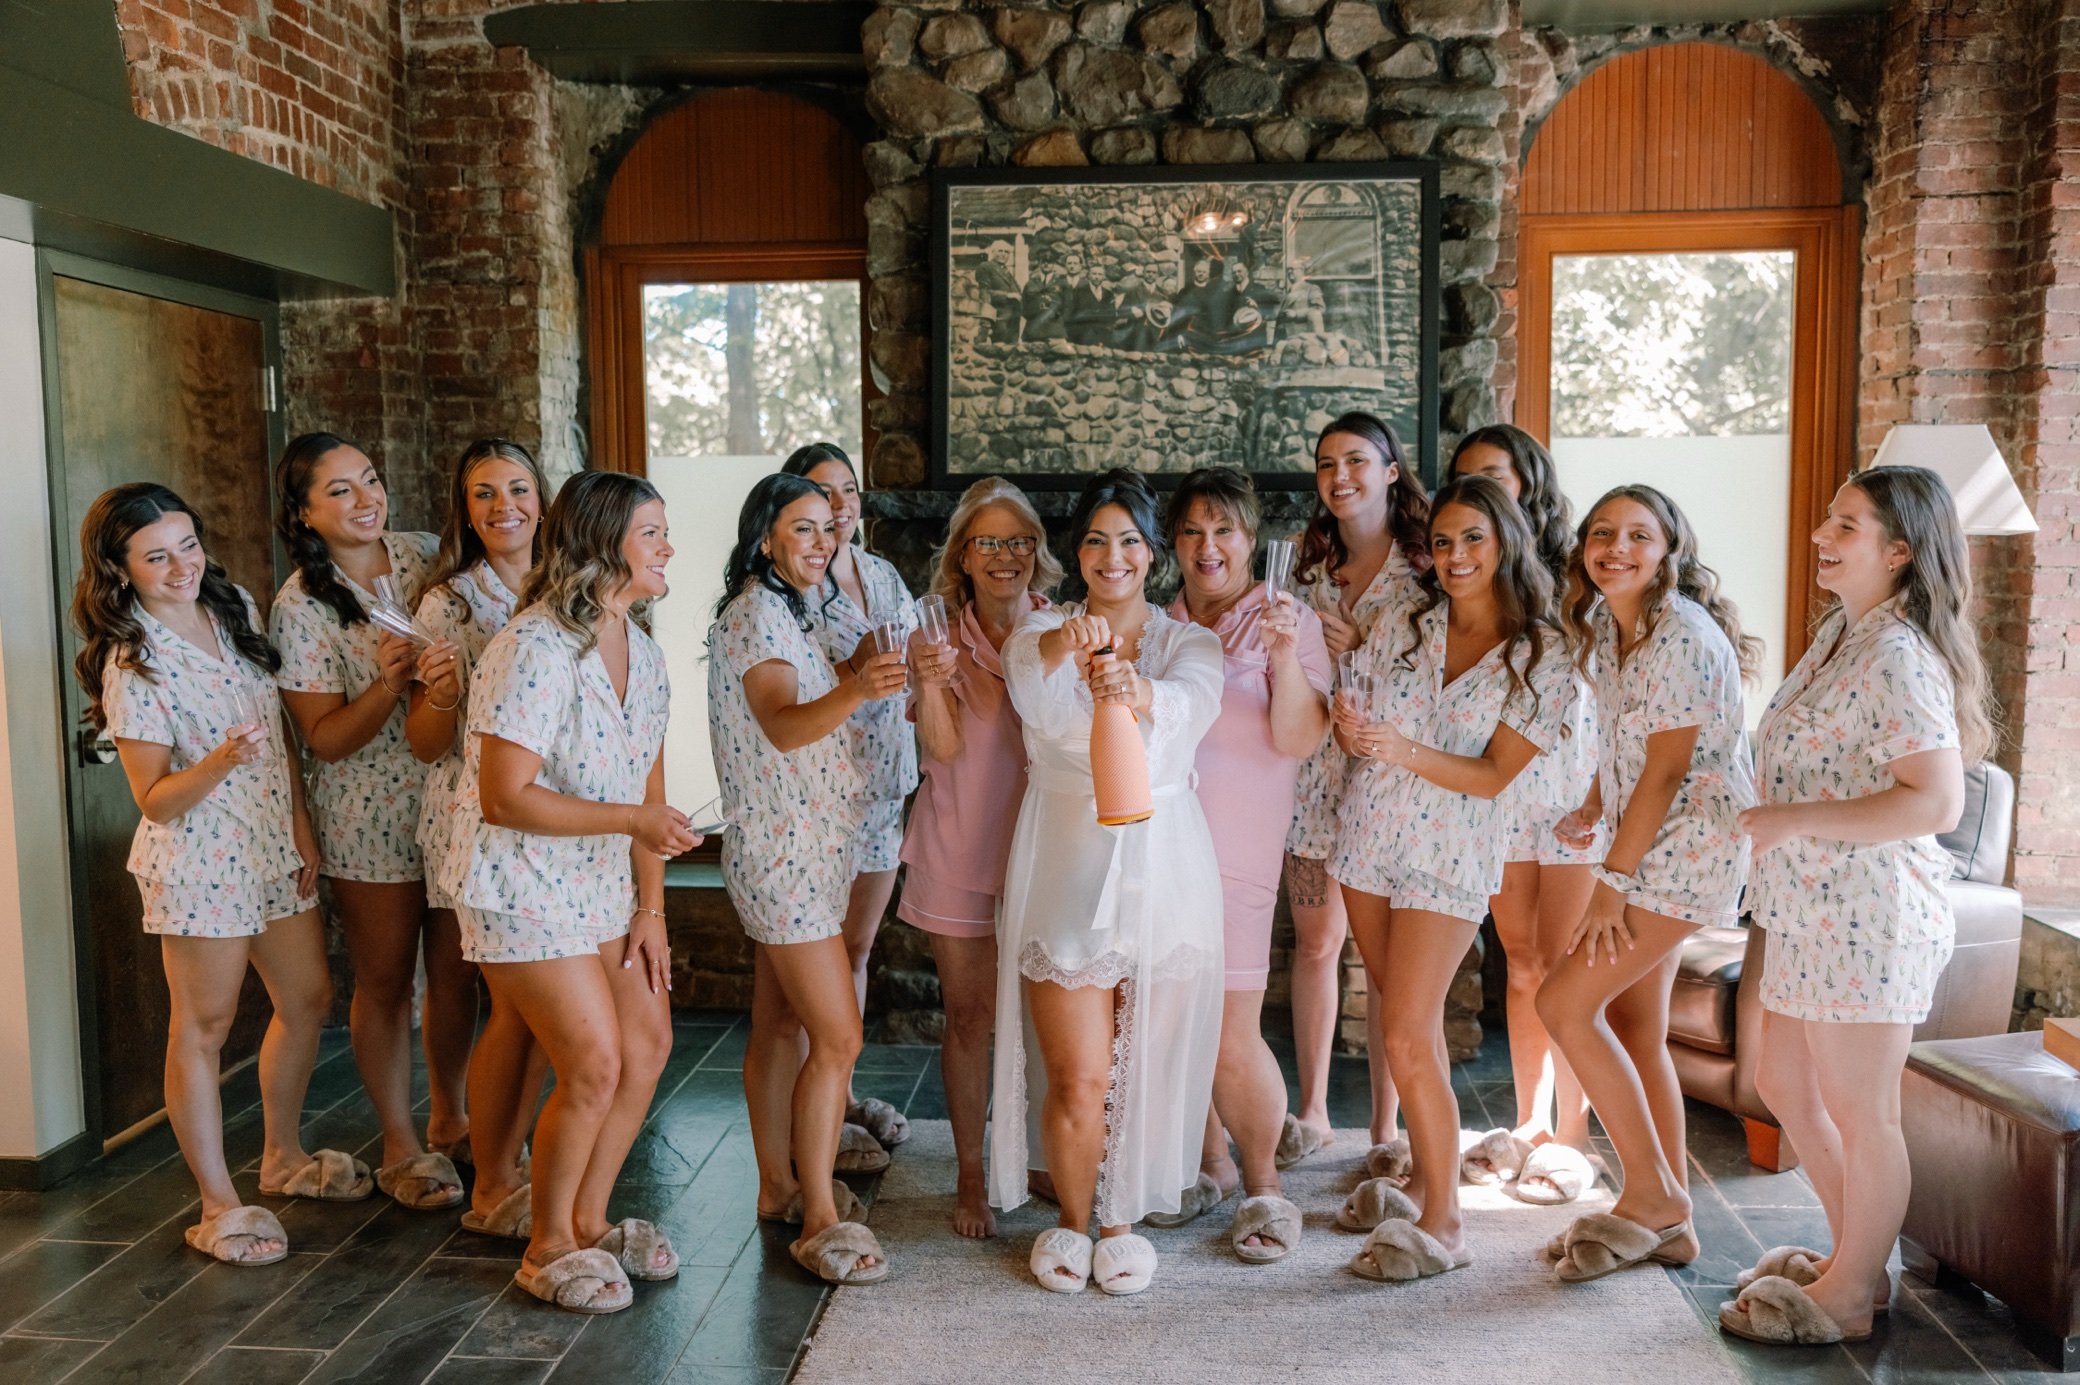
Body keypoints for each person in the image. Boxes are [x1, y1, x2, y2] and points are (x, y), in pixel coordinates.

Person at [1720, 466, 1993, 1347]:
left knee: (1862, 1110)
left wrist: (1795, 818)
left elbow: (1937, 802)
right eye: (1828, 520)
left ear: (1900, 550)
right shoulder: (1842, 633)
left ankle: (1847, 1296)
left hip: (1872, 917)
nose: (1822, 536)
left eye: (1847, 525)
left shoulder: (1898, 652)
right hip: (1807, 909)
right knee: (1782, 1082)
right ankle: (1856, 1264)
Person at [71, 483, 359, 1266]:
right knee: (202, 1028)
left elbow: (276, 731)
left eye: (188, 545)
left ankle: (282, 1157)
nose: (181, 567)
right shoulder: (132, 662)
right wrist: (222, 760)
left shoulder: (234, 609)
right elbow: (155, 799)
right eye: (156, 557)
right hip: (200, 861)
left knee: (308, 996)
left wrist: (299, 823)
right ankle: (217, 1203)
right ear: (121, 569)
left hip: (269, 844)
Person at [444, 470, 693, 1313]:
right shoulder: (534, 647)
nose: (668, 548)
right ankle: (545, 1244)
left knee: (648, 1042)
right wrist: (631, 820)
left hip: (603, 885)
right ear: (601, 543)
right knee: (592, 1060)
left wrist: (651, 908)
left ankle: (588, 1218)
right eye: (652, 533)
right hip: (518, 883)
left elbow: (650, 789)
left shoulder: (643, 650)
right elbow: (503, 796)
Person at [989, 467, 1225, 1297]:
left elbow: (1195, 701)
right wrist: (1072, 640)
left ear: (1153, 553)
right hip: (1067, 864)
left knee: (1141, 1072)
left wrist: (1138, 688)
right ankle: (1072, 1217)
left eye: (1129, 540)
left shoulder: (1188, 643)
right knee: (1080, 1074)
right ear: (1077, 551)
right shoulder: (1039, 629)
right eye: (1096, 539)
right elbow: (1028, 671)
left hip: (1167, 866)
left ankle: (1121, 1224)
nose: (1112, 555)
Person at [1331, 476, 1568, 1282]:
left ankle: (1448, 1222)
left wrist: (1400, 748)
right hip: (1369, 835)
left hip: (1452, 850)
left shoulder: (1542, 652)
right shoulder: (1407, 619)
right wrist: (1353, 729)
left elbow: (1496, 774)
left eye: (1473, 538)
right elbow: (1358, 715)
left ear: (1505, 542)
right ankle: (1427, 1183)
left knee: (1404, 1029)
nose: (1456, 555)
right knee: (1408, 1026)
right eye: (1442, 541)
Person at [1536, 484, 1761, 1283]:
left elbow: (1667, 771)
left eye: (1638, 535)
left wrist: (1610, 883)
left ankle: (1652, 1197)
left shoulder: (1684, 636)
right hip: (1643, 837)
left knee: (1562, 1004)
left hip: (1689, 848)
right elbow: (1623, 740)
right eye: (1602, 533)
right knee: (1636, 1025)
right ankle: (1673, 1219)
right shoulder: (1606, 623)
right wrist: (1593, 803)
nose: (1616, 548)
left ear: (1670, 549)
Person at [708, 472, 906, 1286]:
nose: (823, 542)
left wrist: (860, 662)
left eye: (830, 527)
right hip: (783, 856)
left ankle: (778, 1186)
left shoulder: (796, 609)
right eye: (803, 528)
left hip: (808, 848)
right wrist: (859, 684)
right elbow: (783, 725)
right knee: (839, 1036)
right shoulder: (756, 615)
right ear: (765, 537)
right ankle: (819, 1214)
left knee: (778, 1020)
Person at [270, 432, 464, 1210]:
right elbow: (322, 739)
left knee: (457, 970)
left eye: (371, 479)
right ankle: (400, 1141)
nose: (365, 498)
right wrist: (387, 684)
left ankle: (453, 1117)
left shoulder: (426, 555)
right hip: (366, 813)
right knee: (385, 980)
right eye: (340, 490)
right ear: (304, 512)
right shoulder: (300, 606)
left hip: (450, 794)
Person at [1150, 468, 1330, 1265]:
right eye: (1192, 530)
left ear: (1251, 538)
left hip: (1239, 853)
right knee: (1176, 1021)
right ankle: (1210, 1164)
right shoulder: (1159, 625)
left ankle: (1265, 1184)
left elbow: (1299, 739)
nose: (1207, 546)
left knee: (1229, 1029)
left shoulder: (1288, 618)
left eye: (1223, 528)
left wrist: (1285, 657)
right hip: (1164, 848)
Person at [898, 477, 1060, 1239]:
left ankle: (1038, 1158)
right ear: (963, 555)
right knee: (969, 1016)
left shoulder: (1061, 625)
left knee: (1047, 1017)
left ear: (1037, 550)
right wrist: (932, 684)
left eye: (1018, 540)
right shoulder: (933, 635)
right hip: (959, 848)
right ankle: (970, 1173)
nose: (1004, 555)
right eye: (987, 541)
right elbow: (942, 747)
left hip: (1046, 851)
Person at [1448, 425, 1600, 1202]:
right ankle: (1529, 1119)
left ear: (1528, 480)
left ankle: (1573, 1133)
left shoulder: (1579, 569)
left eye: (1495, 473)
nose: (1481, 485)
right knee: (1522, 958)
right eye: (1467, 474)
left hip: (1573, 786)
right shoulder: (1475, 570)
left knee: (1566, 961)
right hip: (1505, 785)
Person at [406, 438, 549, 1239]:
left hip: (552, 816)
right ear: (465, 510)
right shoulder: (448, 605)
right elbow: (426, 743)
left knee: (525, 996)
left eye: (517, 488)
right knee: (471, 981)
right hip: (474, 811)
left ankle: (503, 1141)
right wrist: (441, 694)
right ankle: (460, 1126)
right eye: (485, 494)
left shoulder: (565, 582)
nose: (504, 507)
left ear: (542, 497)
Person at [1283, 412, 1430, 1176]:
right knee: (1315, 944)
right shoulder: (1305, 569)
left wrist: (1364, 646)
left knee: (1382, 964)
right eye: (1326, 463)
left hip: (1391, 787)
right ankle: (1311, 1111)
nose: (1339, 476)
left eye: (1356, 460)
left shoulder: (1428, 568)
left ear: (1390, 469)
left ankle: (1383, 1125)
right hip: (1313, 784)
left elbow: (1444, 672)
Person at [780, 442, 918, 1155]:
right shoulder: (791, 588)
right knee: (818, 958)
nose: (840, 506)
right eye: (822, 492)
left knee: (857, 948)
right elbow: (789, 694)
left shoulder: (881, 573)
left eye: (849, 490)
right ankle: (816, 1113)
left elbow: (914, 653)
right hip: (823, 797)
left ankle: (842, 1089)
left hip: (884, 789)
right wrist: (856, 668)